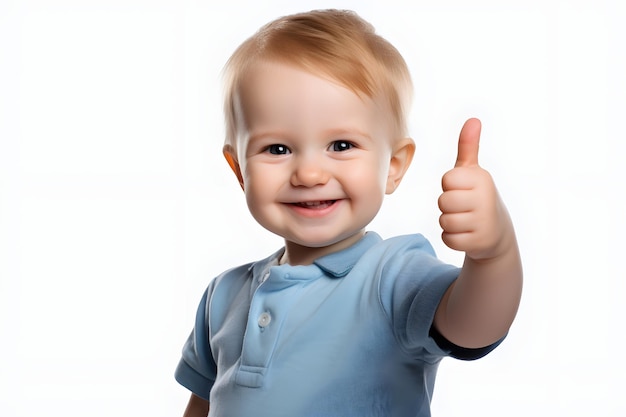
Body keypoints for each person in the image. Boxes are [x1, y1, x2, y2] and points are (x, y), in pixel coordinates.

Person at [175, 9, 522, 417]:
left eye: (341, 145)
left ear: (393, 165)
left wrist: (494, 254)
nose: (309, 173)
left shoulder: (392, 277)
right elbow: (202, 404)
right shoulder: (223, 296)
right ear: (239, 171)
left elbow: (474, 326)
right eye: (277, 149)